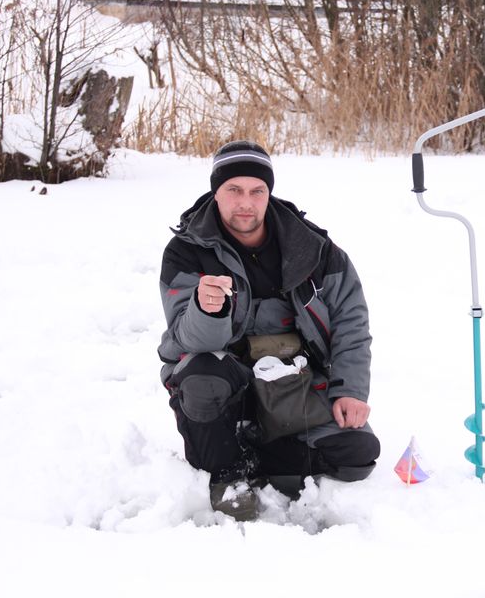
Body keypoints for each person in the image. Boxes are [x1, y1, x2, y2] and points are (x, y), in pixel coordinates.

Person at [157, 140, 379, 521]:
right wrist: (206, 310)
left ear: (269, 192)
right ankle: (228, 472)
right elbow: (189, 342)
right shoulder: (186, 250)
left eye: (257, 191)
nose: (246, 202)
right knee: (202, 378)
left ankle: (254, 451)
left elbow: (351, 322)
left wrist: (350, 390)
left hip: (294, 380)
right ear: (216, 191)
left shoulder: (315, 248)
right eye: (234, 190)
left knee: (357, 454)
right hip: (226, 381)